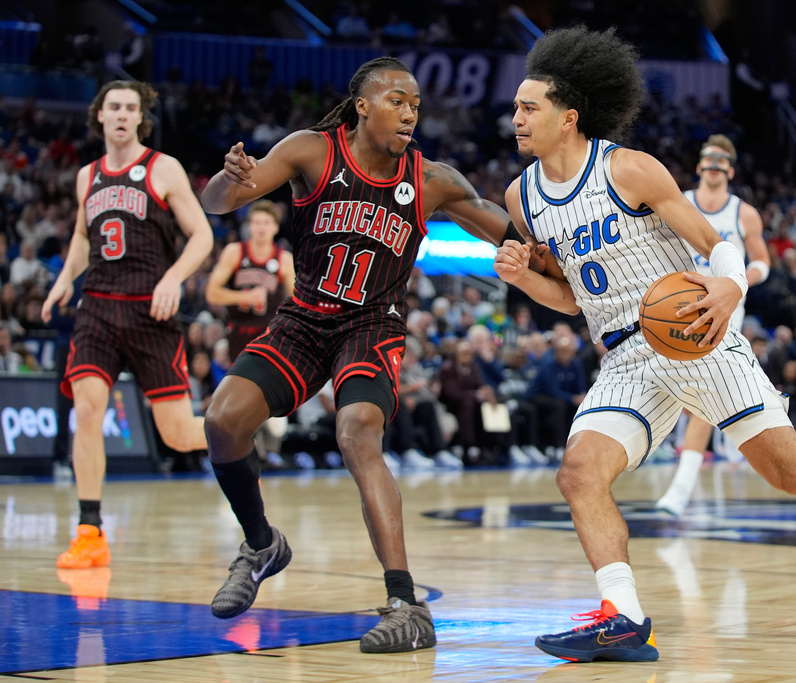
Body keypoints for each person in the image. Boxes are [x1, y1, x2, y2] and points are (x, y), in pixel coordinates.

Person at [494, 26, 796, 664]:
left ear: (569, 118)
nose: (517, 117)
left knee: (793, 472)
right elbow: (571, 297)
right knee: (579, 472)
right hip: (625, 356)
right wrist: (527, 277)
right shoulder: (521, 197)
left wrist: (726, 289)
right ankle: (625, 617)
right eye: (517, 107)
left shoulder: (627, 168)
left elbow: (717, 242)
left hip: (696, 337)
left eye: (530, 107)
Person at [199, 56, 530, 654]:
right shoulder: (311, 151)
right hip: (303, 319)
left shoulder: (433, 181)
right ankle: (260, 543)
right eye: (397, 101)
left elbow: (510, 234)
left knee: (356, 432)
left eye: (416, 106)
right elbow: (219, 201)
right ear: (362, 105)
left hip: (372, 325)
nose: (410, 113)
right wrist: (229, 177)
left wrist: (566, 257)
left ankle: (406, 604)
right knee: (222, 420)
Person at [41, 80, 213, 569]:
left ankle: (236, 433)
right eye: (113, 107)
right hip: (97, 306)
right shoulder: (86, 177)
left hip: (149, 310)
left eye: (130, 108)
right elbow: (81, 237)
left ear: (141, 118)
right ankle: (90, 531)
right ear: (99, 116)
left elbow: (201, 235)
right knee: (88, 411)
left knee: (179, 434)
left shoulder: (163, 168)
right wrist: (62, 283)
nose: (121, 115)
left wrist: (175, 278)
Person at [654, 134, 771, 516]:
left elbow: (762, 263)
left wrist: (736, 282)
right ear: (700, 166)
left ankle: (681, 488)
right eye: (709, 159)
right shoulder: (679, 202)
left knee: (703, 398)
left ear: (731, 170)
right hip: (678, 305)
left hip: (722, 312)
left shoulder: (744, 213)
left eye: (722, 161)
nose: (715, 166)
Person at [205, 199, 295, 468]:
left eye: (266, 223)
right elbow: (212, 292)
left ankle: (268, 449)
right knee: (236, 400)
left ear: (275, 227)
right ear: (249, 226)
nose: (260, 228)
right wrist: (241, 295)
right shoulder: (235, 252)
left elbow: (293, 300)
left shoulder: (283, 258)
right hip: (238, 335)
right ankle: (237, 450)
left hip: (269, 336)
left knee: (268, 402)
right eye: (256, 222)